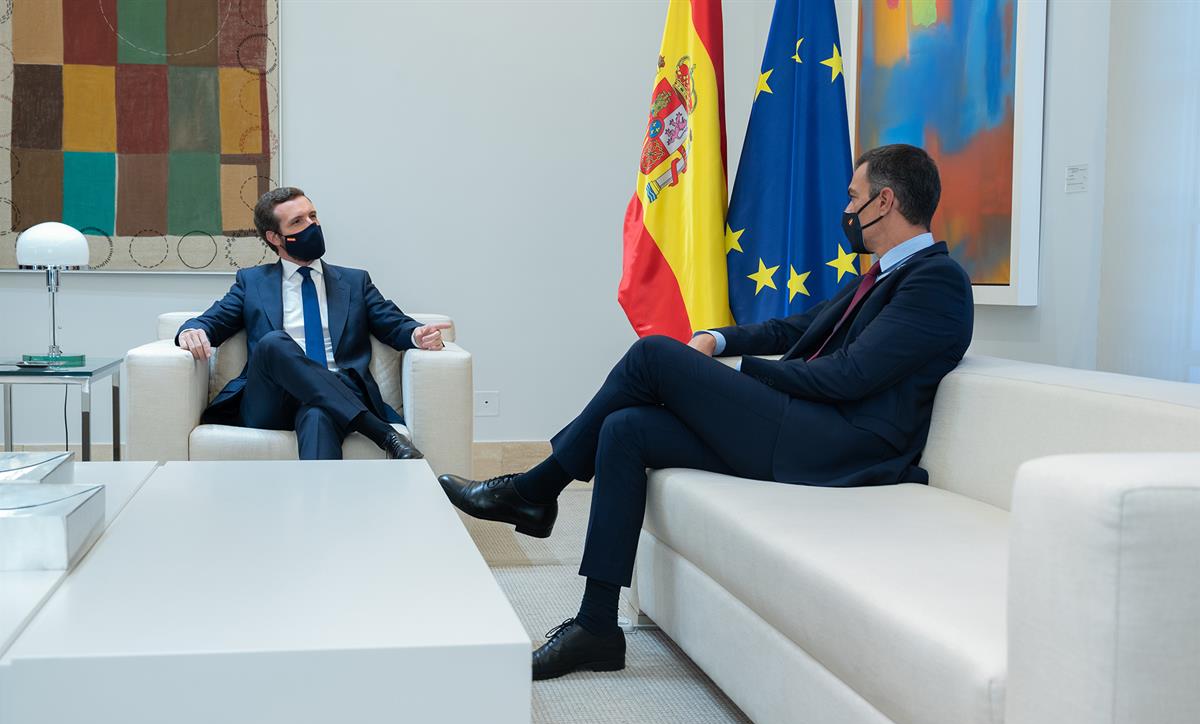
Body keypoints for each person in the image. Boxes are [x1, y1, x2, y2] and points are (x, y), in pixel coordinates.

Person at [440, 143, 974, 680]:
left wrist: (739, 375)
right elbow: (796, 330)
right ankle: (596, 627)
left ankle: (535, 491)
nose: (847, 211)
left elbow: (853, 375)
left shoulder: (936, 282)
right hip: (805, 426)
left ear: (885, 202)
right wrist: (718, 340)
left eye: (854, 198)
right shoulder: (879, 275)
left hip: (841, 448)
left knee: (653, 356)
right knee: (627, 429)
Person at [176, 187, 450, 460]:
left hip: (340, 390)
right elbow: (214, 319)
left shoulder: (354, 282)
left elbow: (392, 323)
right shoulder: (253, 282)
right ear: (275, 237)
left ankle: (320, 503)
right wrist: (191, 330)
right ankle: (383, 434)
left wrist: (417, 334)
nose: (312, 225)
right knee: (273, 342)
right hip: (271, 399)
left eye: (313, 215)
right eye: (298, 222)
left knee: (318, 415)